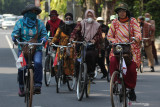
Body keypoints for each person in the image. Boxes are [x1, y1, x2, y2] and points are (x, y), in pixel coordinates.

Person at [11, 4, 48, 96]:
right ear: (26, 13)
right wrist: (15, 38)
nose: (33, 14)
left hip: (37, 48)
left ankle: (38, 85)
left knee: (38, 63)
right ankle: (21, 86)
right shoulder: (20, 23)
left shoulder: (39, 23)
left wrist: (44, 39)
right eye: (31, 12)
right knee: (21, 67)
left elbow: (44, 34)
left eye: (35, 12)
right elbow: (15, 33)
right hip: (23, 48)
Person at [107, 2, 142, 101]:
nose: (121, 13)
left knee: (131, 69)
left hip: (131, 48)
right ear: (117, 13)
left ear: (127, 12)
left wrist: (136, 39)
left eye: (123, 11)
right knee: (113, 61)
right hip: (117, 48)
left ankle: (131, 88)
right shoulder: (114, 22)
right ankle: (114, 82)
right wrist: (114, 41)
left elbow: (138, 34)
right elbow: (109, 36)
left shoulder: (133, 21)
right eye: (119, 11)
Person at [70, 9, 102, 78]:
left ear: (93, 16)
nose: (89, 17)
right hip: (81, 43)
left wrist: (94, 40)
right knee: (77, 60)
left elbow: (99, 35)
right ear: (85, 15)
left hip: (91, 45)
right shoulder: (81, 23)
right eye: (88, 15)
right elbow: (75, 31)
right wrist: (72, 38)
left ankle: (90, 72)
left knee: (91, 55)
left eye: (91, 15)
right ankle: (77, 74)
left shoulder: (97, 25)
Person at [49, 13, 76, 77]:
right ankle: (57, 72)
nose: (68, 20)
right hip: (61, 46)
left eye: (70, 19)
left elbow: (77, 37)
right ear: (65, 19)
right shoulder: (61, 27)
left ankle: (69, 74)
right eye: (67, 18)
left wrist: (74, 43)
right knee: (58, 58)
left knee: (70, 58)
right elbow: (56, 37)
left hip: (71, 46)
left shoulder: (75, 28)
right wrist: (52, 42)